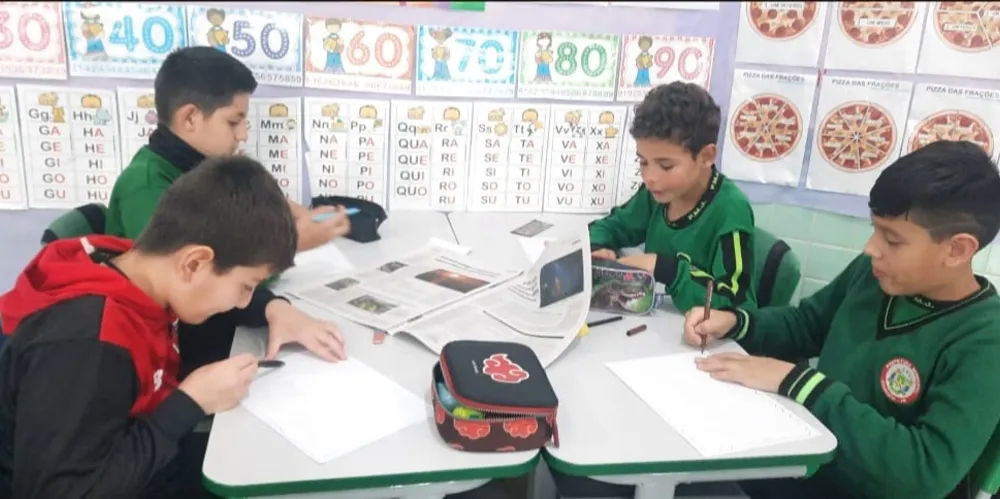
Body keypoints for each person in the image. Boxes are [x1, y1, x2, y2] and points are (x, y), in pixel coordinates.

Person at [684, 140, 1000, 499]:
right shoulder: (875, 275)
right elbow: (807, 325)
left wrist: (802, 384)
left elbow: (923, 473)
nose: (871, 248)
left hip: (859, 488)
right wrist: (738, 323)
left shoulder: (986, 339)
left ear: (957, 249)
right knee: (682, 468)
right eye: (875, 229)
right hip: (810, 463)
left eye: (892, 240)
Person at [0, 156, 327, 498]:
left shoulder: (138, 269)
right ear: (194, 262)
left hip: (139, 452)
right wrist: (188, 403)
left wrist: (270, 305)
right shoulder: (88, 345)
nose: (245, 301)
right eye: (247, 285)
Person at [105, 46, 349, 376]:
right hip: (176, 351)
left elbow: (226, 254)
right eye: (234, 121)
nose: (243, 134)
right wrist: (289, 245)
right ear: (190, 117)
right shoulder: (147, 186)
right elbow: (197, 286)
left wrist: (280, 219)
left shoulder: (202, 169)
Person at [589, 81, 756, 313]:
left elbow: (735, 303)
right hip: (658, 322)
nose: (650, 177)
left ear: (706, 156)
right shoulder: (658, 194)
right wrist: (599, 247)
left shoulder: (731, 210)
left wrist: (666, 268)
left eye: (665, 166)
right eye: (643, 162)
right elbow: (613, 226)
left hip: (700, 340)